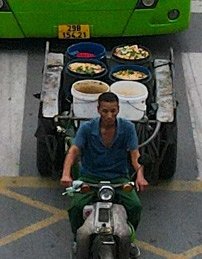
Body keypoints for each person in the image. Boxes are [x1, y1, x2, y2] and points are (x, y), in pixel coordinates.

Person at [60, 90, 148, 249]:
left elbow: (135, 155)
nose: (109, 115)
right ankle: (76, 240)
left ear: (118, 110)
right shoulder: (87, 128)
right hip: (90, 177)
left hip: (119, 178)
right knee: (76, 207)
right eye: (105, 111)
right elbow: (73, 151)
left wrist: (140, 176)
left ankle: (130, 239)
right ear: (98, 110)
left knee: (135, 206)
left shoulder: (127, 128)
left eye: (113, 111)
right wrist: (66, 174)